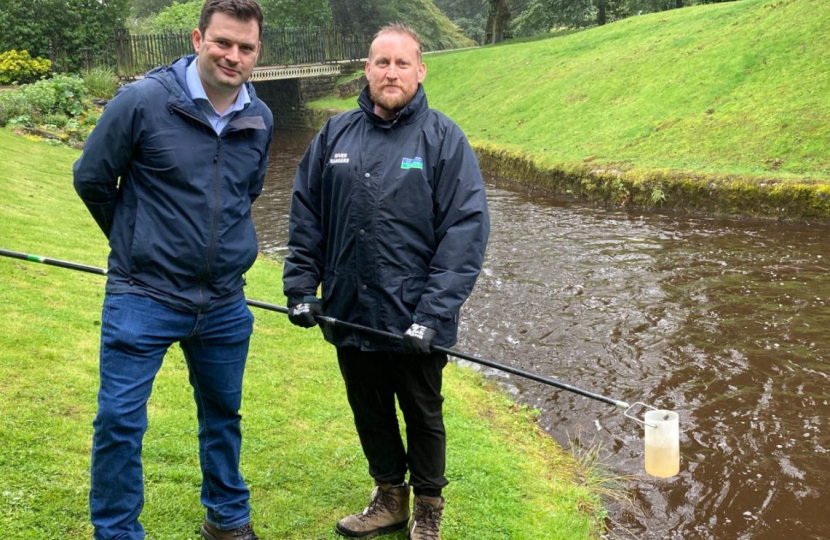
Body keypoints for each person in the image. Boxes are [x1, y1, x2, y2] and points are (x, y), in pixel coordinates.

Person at [72, 1, 273, 539]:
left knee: (223, 416)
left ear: (258, 52)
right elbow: (92, 178)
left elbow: (245, 194)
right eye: (222, 42)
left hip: (226, 302)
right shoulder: (141, 102)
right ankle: (116, 532)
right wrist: (137, 241)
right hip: (144, 295)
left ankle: (227, 519)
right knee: (119, 422)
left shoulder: (261, 117)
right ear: (197, 38)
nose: (233, 56)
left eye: (245, 47)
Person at [282, 23, 490, 540]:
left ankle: (428, 508)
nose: (390, 72)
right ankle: (389, 497)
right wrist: (301, 289)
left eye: (401, 63)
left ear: (420, 71)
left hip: (415, 317)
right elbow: (307, 216)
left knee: (422, 412)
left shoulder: (444, 138)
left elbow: (464, 232)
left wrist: (433, 315)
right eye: (381, 62)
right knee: (368, 408)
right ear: (368, 69)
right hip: (349, 307)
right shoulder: (334, 136)